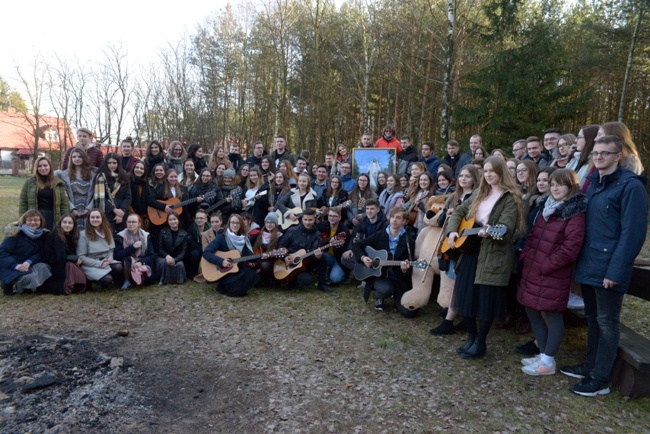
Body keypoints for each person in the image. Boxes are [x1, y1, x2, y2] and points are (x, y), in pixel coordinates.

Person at [561, 135, 648, 397]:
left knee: (608, 323)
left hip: (609, 268)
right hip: (589, 262)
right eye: (596, 153)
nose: (598, 157)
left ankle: (600, 379)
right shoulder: (590, 182)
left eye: (605, 153)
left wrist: (616, 271)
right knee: (592, 318)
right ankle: (590, 366)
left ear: (618, 156)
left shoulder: (631, 187)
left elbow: (632, 234)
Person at [446, 156, 523, 359]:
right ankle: (471, 338)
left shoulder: (510, 198)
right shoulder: (481, 192)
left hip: (493, 253)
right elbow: (459, 211)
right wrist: (453, 231)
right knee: (467, 296)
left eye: (492, 171)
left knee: (485, 301)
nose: (488, 175)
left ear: (501, 172)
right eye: (485, 171)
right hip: (471, 250)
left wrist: (492, 231)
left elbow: (506, 227)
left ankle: (480, 342)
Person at [518, 169, 587, 376]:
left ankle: (548, 362)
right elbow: (533, 236)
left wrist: (546, 265)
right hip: (535, 268)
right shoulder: (546, 207)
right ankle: (543, 354)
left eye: (560, 184)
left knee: (552, 313)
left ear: (571, 186)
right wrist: (527, 256)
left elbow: (570, 249)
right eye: (553, 184)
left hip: (552, 273)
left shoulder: (574, 213)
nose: (555, 188)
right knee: (531, 309)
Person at [429, 164, 481, 335]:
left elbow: (475, 220)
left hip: (467, 244)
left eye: (468, 176)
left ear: (475, 178)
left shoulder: (477, 196)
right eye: (461, 176)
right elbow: (440, 220)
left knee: (459, 283)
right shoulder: (454, 196)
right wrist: (449, 215)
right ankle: (458, 319)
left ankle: (451, 320)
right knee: (453, 282)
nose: (463, 179)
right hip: (452, 243)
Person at [352, 207, 416, 316]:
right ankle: (380, 295)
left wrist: (405, 270)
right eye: (392, 217)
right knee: (385, 290)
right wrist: (363, 258)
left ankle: (397, 297)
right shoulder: (380, 235)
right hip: (380, 275)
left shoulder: (409, 241)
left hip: (398, 278)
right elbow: (357, 245)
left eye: (398, 218)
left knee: (409, 313)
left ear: (404, 222)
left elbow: (410, 268)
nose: (394, 220)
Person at [203, 213, 262, 297]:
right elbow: (206, 252)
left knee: (253, 276)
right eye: (232, 222)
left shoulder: (244, 238)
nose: (235, 225)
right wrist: (221, 261)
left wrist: (262, 256)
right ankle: (226, 286)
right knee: (236, 291)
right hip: (223, 270)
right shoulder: (222, 237)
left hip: (237, 269)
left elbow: (250, 257)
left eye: (237, 223)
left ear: (241, 225)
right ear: (229, 224)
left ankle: (233, 288)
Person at [0, 210, 52, 295]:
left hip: (29, 264)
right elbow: (2, 253)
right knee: (25, 277)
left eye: (36, 220)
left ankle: (26, 287)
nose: (33, 222)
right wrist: (16, 265)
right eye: (30, 220)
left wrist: (29, 261)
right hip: (11, 265)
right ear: (24, 221)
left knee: (45, 267)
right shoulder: (15, 233)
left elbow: (41, 253)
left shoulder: (43, 235)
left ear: (41, 221)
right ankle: (8, 283)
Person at [278, 209, 331, 292]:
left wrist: (317, 256)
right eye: (305, 219)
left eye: (310, 220)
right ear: (302, 219)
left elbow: (314, 249)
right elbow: (281, 245)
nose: (307, 222)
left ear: (315, 220)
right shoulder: (292, 231)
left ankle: (322, 284)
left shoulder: (316, 234)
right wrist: (285, 257)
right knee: (305, 280)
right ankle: (291, 279)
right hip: (290, 262)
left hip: (306, 262)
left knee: (322, 257)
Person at [19, 156, 69, 231]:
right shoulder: (29, 182)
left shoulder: (59, 183)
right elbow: (23, 202)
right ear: (36, 168)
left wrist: (65, 219)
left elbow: (64, 204)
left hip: (53, 216)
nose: (42, 168)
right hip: (35, 216)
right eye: (39, 166)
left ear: (50, 167)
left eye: (45, 165)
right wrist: (22, 220)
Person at [340, 199, 387, 276]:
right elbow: (354, 236)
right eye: (367, 209)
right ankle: (365, 274)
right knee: (345, 258)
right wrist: (351, 249)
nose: (369, 211)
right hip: (365, 251)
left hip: (378, 253)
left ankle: (372, 274)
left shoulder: (385, 223)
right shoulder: (363, 221)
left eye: (372, 209)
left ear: (378, 209)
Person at [77, 209, 122, 287]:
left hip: (105, 261)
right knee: (107, 279)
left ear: (102, 219)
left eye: (97, 217)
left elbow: (111, 249)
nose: (95, 219)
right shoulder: (83, 235)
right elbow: (81, 257)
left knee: (118, 266)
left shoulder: (107, 231)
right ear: (89, 219)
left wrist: (109, 259)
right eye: (93, 217)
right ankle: (90, 280)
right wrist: (99, 264)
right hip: (91, 264)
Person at [43, 214, 87, 295]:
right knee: (70, 265)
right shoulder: (54, 236)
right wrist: (73, 258)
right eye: (65, 222)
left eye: (70, 223)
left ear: (74, 225)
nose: (67, 225)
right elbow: (55, 258)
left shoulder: (73, 236)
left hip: (67, 263)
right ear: (60, 223)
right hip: (55, 266)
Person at [56, 148, 97, 228]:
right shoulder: (64, 175)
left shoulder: (93, 173)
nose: (77, 159)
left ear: (84, 158)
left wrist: (88, 209)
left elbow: (95, 193)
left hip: (88, 208)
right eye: (74, 157)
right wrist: (72, 209)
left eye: (79, 157)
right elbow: (64, 194)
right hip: (72, 208)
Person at [114, 214, 156, 289]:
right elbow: (117, 255)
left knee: (142, 282)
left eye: (133, 222)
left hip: (141, 263)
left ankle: (134, 279)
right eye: (129, 222)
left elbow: (152, 256)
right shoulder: (120, 236)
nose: (131, 224)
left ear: (139, 223)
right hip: (126, 264)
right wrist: (132, 247)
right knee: (127, 260)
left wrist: (141, 262)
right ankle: (127, 281)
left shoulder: (146, 236)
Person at [94, 153, 132, 232]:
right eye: (109, 163)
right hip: (107, 213)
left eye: (114, 163)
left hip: (122, 213)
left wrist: (121, 211)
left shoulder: (124, 176)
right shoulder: (101, 177)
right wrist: (114, 210)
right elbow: (100, 198)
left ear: (118, 163)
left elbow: (128, 196)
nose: (112, 165)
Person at [316, 208, 350, 285]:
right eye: (330, 215)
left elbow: (345, 251)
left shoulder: (344, 231)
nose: (331, 218)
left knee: (335, 279)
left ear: (339, 218)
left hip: (339, 259)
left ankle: (343, 273)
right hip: (327, 256)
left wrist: (337, 246)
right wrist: (328, 240)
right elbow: (315, 238)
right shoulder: (322, 225)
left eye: (334, 216)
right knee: (317, 253)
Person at [156, 213, 189, 285]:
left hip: (177, 258)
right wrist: (167, 256)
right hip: (164, 257)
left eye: (174, 219)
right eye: (170, 220)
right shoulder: (163, 232)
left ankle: (177, 280)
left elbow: (183, 251)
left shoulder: (184, 234)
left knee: (180, 265)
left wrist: (175, 259)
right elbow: (159, 249)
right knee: (163, 263)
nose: (172, 221)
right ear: (168, 221)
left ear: (178, 220)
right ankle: (163, 280)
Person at [253, 212, 284, 285]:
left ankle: (273, 279)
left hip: (273, 262)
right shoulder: (260, 235)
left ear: (276, 223)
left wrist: (270, 255)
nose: (269, 224)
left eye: (272, 222)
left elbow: (282, 251)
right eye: (267, 222)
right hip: (258, 261)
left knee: (265, 265)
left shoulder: (280, 236)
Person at [185, 210, 211, 279]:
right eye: (197, 218)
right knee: (195, 253)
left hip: (208, 250)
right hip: (195, 251)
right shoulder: (191, 229)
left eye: (201, 218)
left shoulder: (210, 229)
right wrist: (202, 248)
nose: (199, 220)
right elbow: (191, 244)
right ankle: (194, 273)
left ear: (205, 220)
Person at [128, 161, 151, 227]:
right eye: (137, 167)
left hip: (142, 217)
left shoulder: (145, 184)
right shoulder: (127, 181)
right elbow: (126, 200)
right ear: (133, 169)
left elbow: (147, 201)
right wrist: (134, 215)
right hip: (130, 216)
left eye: (142, 169)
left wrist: (146, 216)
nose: (139, 170)